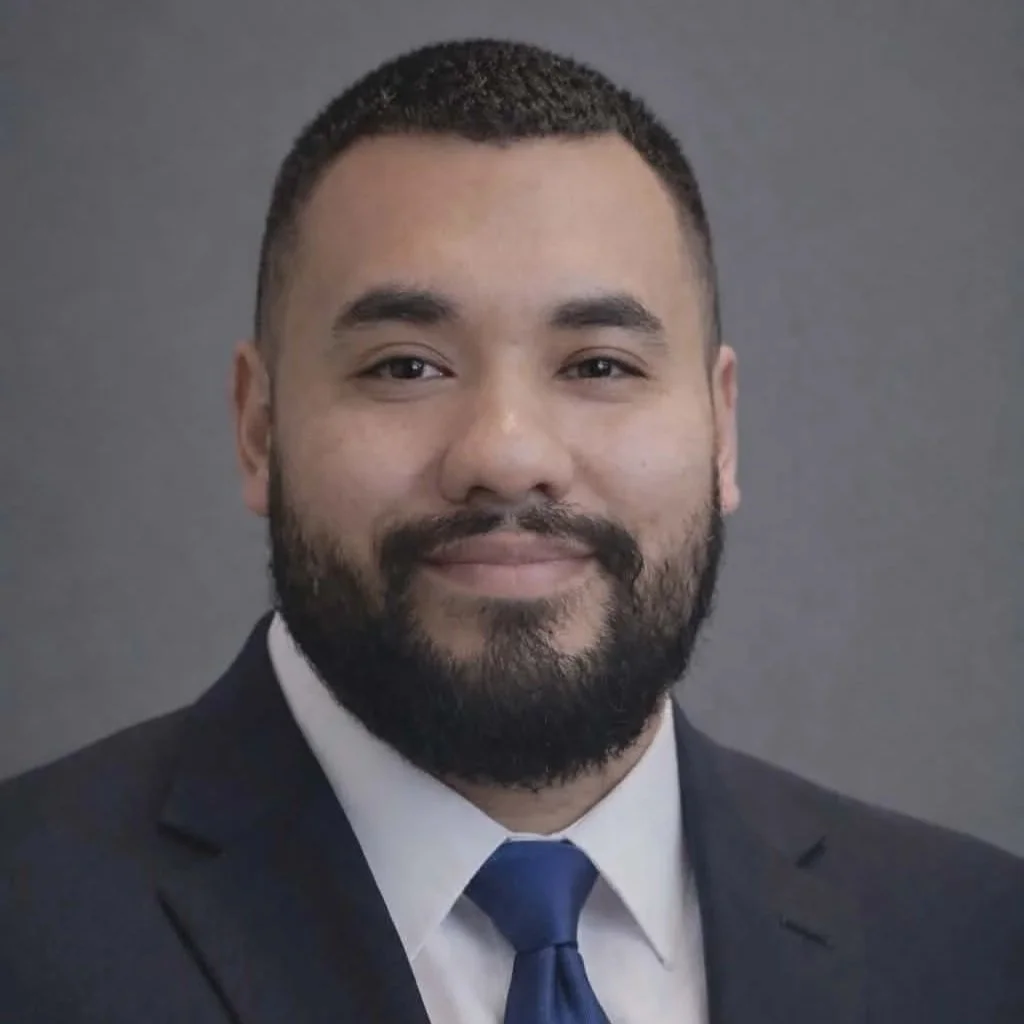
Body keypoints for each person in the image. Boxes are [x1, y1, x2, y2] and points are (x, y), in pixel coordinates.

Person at [1, 37, 1021, 1024]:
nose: (503, 451)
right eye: (406, 365)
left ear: (722, 429)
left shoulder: (976, 945)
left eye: (598, 365)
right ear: (259, 429)